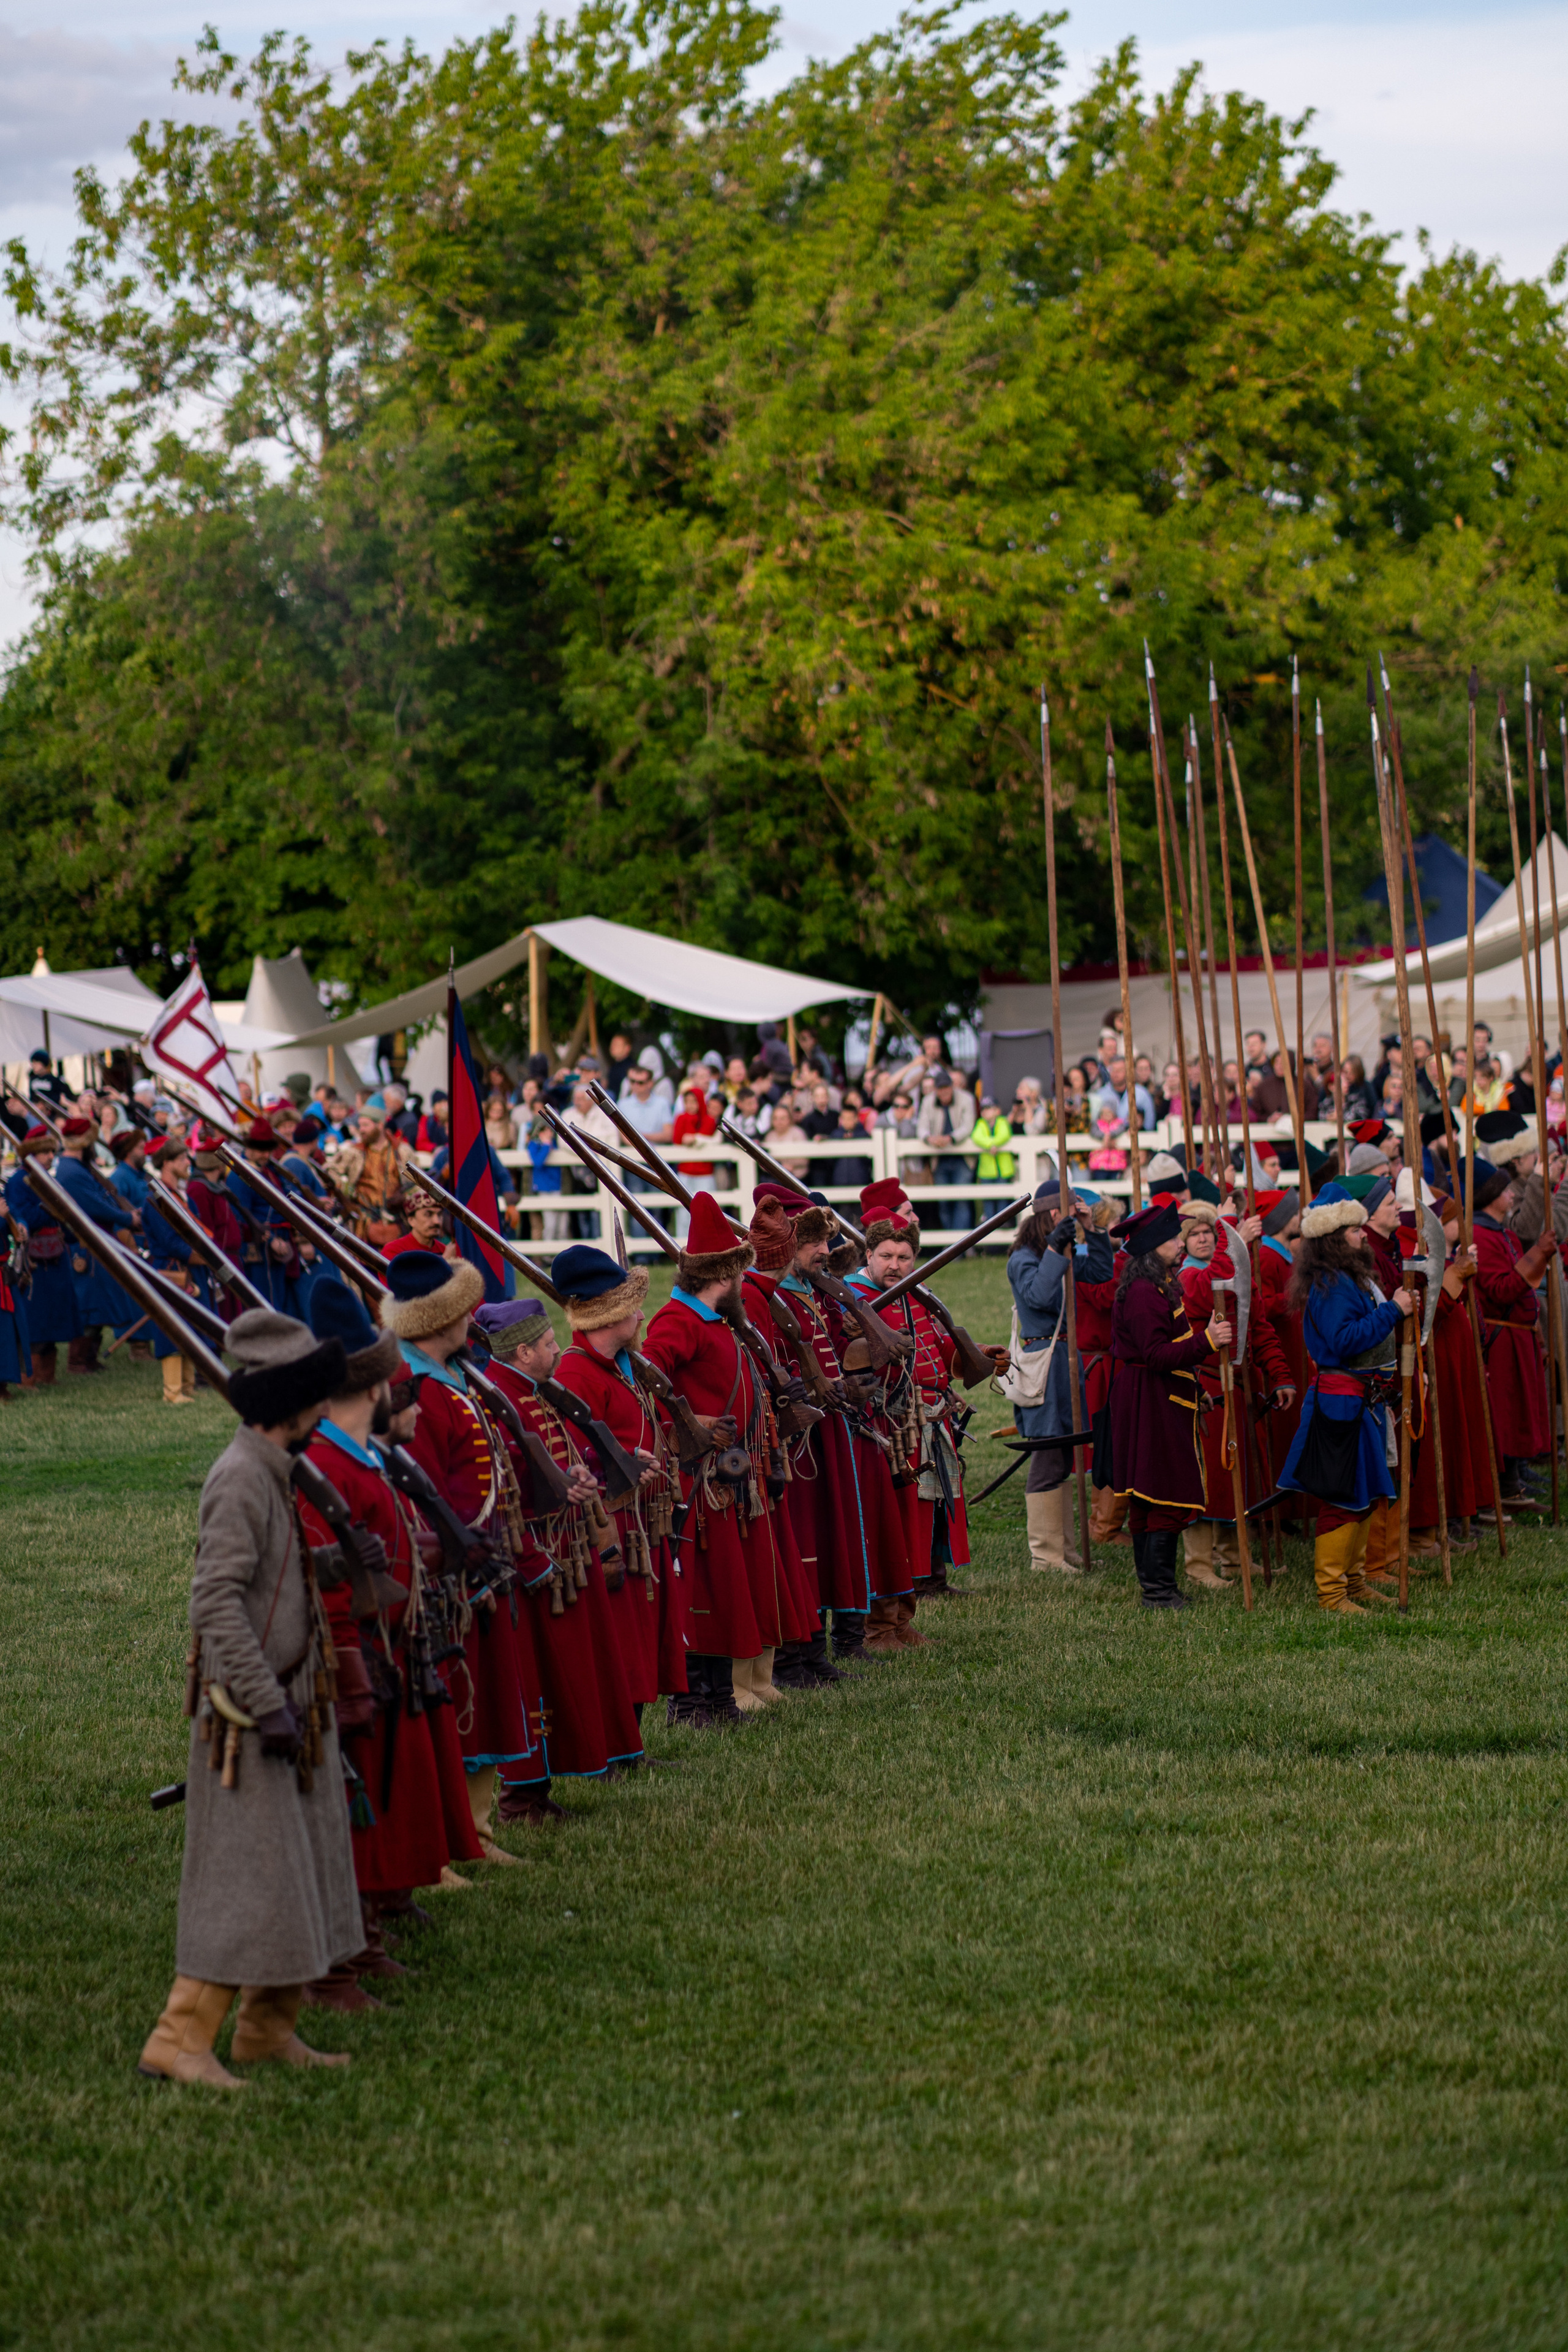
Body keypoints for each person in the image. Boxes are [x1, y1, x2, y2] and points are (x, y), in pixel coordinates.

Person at [136, 1308, 362, 2088]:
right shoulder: (239, 1478)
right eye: (316, 1400)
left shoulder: (274, 1470)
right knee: (245, 1883)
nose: (326, 1412)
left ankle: (267, 2031)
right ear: (292, 1406)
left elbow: (268, 1582)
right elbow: (217, 1603)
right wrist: (267, 1702)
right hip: (252, 1711)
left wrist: (329, 1571)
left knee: (298, 1872)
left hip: (294, 1700)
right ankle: (178, 2040)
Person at [382, 1248, 546, 1852]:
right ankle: (454, 1831)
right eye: (460, 1313)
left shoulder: (450, 1380)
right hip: (452, 1572)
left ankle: (474, 1828)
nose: (469, 1321)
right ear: (438, 1321)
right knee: (461, 1702)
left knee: (490, 1696)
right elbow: (422, 1493)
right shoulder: (416, 1390)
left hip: (482, 1560)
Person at [641, 1191, 791, 1719]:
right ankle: (694, 1701)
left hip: (731, 1475)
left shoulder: (716, 1322)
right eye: (739, 1276)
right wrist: (685, 1426)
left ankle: (725, 1693)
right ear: (723, 1277)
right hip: (699, 1477)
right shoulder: (677, 1322)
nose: (744, 1285)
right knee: (704, 1587)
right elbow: (645, 1379)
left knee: (731, 1583)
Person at [743, 1185, 869, 1675]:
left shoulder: (811, 1292)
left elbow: (834, 1347)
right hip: (793, 1439)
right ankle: (797, 1653)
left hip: (825, 1430)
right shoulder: (763, 1298)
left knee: (827, 1537)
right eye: (812, 1241)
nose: (824, 1251)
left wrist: (856, 1376)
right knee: (803, 1543)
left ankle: (813, 1650)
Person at [1275, 1186, 1414, 1612]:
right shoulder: (1333, 1285)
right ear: (1335, 1236)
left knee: (1367, 1493)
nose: (1364, 1236)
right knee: (1342, 1497)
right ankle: (1332, 1593)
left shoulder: (1351, 1278)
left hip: (1363, 1402)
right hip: (1342, 1403)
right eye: (1355, 1230)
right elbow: (1343, 1341)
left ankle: (1353, 1582)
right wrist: (1393, 1310)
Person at [1106, 1197, 1232, 1610]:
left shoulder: (1157, 1285)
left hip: (1164, 1398)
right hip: (1150, 1402)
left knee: (1153, 1496)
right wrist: (1208, 1342)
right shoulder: (1143, 1293)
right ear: (1153, 1246)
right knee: (1160, 1495)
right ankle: (1158, 1592)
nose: (1180, 1244)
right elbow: (1157, 1355)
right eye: (1173, 1238)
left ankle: (1159, 1589)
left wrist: (1197, 1391)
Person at [1006, 1176, 1114, 1574]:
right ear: (1053, 1215)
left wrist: (1094, 1229)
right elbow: (1039, 1297)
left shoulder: (1062, 1250)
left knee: (1065, 1456)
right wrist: (1057, 1248)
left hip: (1068, 1360)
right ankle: (1046, 1556)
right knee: (1049, 1457)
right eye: (1067, 1213)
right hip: (1044, 1362)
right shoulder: (1023, 1258)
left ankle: (1064, 1550)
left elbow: (1102, 1272)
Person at [1470, 1158, 1557, 1500]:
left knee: (1523, 1405)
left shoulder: (1503, 1232)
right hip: (1501, 1336)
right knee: (1506, 1411)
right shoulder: (1480, 1234)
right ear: (1491, 1196)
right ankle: (1507, 1485)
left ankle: (1518, 1473)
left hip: (1520, 1334)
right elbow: (1502, 1289)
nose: (1511, 1195)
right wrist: (1538, 1255)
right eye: (1505, 1190)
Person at [5, 1126, 81, 1384]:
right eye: (45, 1152)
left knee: (54, 1320)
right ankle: (31, 1377)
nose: (51, 1156)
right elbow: (20, 1216)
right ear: (32, 1154)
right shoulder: (19, 1181)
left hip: (56, 1255)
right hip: (35, 1261)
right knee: (36, 1322)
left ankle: (48, 1376)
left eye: (52, 1151)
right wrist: (52, 1208)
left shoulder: (49, 1180)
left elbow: (62, 1219)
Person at [917, 1068, 976, 1231]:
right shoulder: (928, 1102)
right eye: (941, 1089)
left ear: (952, 1087)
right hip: (939, 1159)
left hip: (962, 1158)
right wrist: (930, 1138)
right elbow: (921, 1127)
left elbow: (968, 1126)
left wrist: (950, 1138)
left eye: (947, 1088)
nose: (944, 1092)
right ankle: (950, 1246)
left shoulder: (966, 1099)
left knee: (962, 1201)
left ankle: (960, 1245)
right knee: (943, 1203)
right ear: (936, 1090)